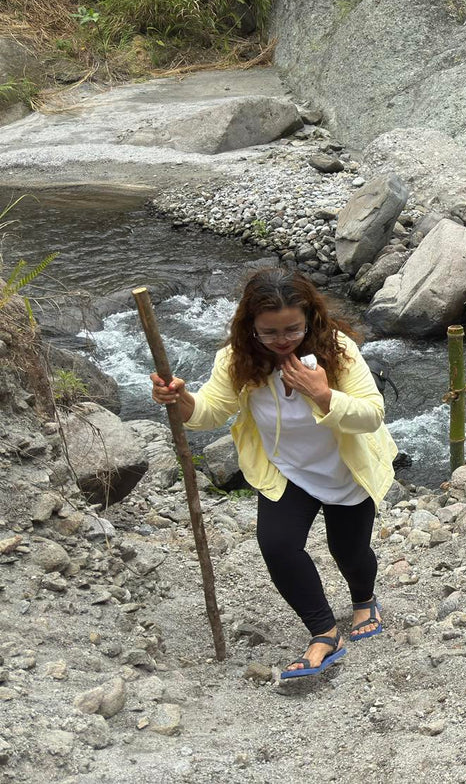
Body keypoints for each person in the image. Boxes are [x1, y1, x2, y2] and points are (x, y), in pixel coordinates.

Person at [147, 268, 396, 680]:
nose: (282, 340)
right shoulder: (236, 358)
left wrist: (322, 392)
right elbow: (209, 410)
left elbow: (372, 415)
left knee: (348, 552)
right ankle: (324, 632)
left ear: (310, 319)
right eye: (270, 332)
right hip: (286, 470)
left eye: (292, 329)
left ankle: (364, 599)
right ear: (250, 327)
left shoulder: (339, 350)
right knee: (277, 546)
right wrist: (180, 400)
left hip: (345, 469)